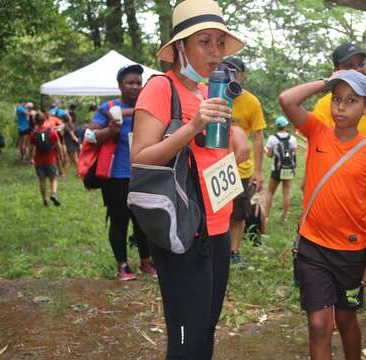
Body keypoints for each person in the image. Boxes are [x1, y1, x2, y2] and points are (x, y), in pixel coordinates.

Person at [130, 1, 249, 358]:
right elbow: (141, 158)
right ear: (180, 47)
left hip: (218, 227)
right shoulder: (159, 88)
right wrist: (194, 125)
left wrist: (235, 137)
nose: (215, 52)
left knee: (206, 328)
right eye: (204, 42)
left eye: (220, 43)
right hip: (184, 230)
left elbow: (209, 155)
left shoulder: (206, 91)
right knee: (186, 336)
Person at [279, 70, 366, 360]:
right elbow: (287, 100)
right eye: (336, 99)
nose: (341, 106)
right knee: (318, 324)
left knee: (345, 318)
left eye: (351, 100)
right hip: (312, 248)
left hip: (351, 254)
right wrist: (325, 83)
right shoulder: (317, 131)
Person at [314, 43, 366, 335]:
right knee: (342, 256)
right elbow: (320, 149)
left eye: (360, 63)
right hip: (342, 193)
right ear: (336, 68)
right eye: (350, 64)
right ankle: (338, 305)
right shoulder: (327, 104)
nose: (357, 68)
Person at [89, 64, 155, 281]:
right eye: (130, 83)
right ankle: (123, 266)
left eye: (138, 82)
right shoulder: (107, 108)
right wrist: (111, 129)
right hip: (116, 176)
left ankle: (147, 262)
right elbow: (91, 136)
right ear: (120, 86)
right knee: (119, 220)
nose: (135, 87)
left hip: (144, 173)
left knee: (144, 221)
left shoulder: (150, 106)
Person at [221, 56, 266, 265]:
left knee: (237, 213)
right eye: (226, 70)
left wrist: (258, 171)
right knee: (214, 211)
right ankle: (214, 249)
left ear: (242, 75)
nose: (231, 75)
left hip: (240, 169)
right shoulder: (211, 94)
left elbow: (257, 137)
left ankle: (234, 251)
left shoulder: (251, 102)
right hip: (213, 166)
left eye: (234, 71)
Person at [264, 115, 297, 222]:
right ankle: (284, 217)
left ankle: (266, 216)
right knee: (286, 192)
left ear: (276, 127)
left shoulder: (272, 138)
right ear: (286, 126)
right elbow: (293, 154)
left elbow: (269, 155)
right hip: (288, 168)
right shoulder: (292, 139)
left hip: (276, 169)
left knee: (270, 192)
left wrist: (268, 151)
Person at [30, 110, 60, 206]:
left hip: (39, 160)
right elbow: (58, 145)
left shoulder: (33, 133)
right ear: (45, 120)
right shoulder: (51, 131)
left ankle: (44, 199)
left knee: (42, 180)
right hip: (50, 158)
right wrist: (61, 155)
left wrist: (31, 158)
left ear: (36, 121)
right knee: (54, 178)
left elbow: (32, 148)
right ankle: (54, 193)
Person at [63, 103, 81, 176]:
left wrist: (80, 143)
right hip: (69, 144)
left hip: (71, 145)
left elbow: (73, 136)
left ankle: (79, 173)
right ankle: (63, 174)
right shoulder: (70, 125)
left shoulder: (67, 126)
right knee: (68, 160)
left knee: (75, 160)